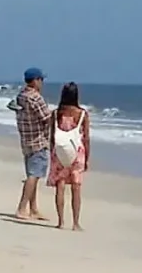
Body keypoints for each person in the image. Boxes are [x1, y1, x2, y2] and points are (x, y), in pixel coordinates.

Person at [47, 82, 92, 230]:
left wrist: (52, 152)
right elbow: (85, 137)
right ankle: (76, 223)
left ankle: (61, 222)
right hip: (77, 152)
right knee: (76, 188)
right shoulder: (82, 114)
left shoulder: (55, 113)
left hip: (60, 151)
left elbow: (52, 136)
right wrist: (87, 158)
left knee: (60, 186)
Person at [9, 68, 51, 221]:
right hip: (38, 141)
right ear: (35, 80)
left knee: (32, 175)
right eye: (41, 80)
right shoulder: (35, 98)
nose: (42, 83)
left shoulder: (21, 96)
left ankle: (33, 209)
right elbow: (47, 118)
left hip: (26, 140)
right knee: (34, 176)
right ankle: (22, 208)